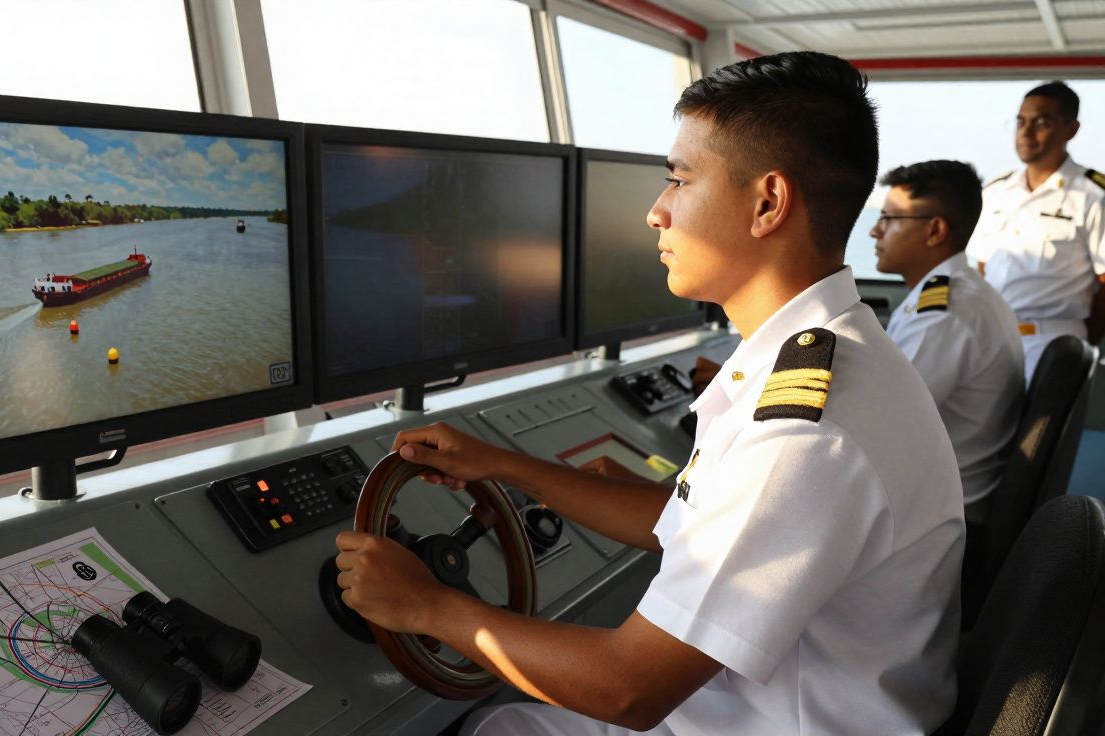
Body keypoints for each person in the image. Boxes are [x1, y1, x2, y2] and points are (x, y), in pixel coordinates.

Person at [335, 51, 964, 735]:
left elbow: (629, 690)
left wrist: (426, 607)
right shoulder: (822, 355)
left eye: (679, 180)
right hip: (752, 708)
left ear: (768, 203)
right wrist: (507, 466)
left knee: (494, 728)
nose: (656, 213)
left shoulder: (805, 434)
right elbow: (689, 520)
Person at [871, 160, 1025, 525]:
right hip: (945, 498)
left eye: (890, 218)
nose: (875, 231)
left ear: (935, 231)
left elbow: (882, 422)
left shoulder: (946, 314)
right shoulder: (956, 294)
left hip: (941, 518)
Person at [968, 81, 1105, 383]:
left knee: (1043, 430)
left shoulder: (1093, 194)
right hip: (995, 335)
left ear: (1071, 129)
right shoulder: (996, 191)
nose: (1026, 133)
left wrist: (1085, 344)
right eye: (1021, 122)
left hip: (1055, 340)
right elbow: (982, 266)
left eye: (1041, 122)